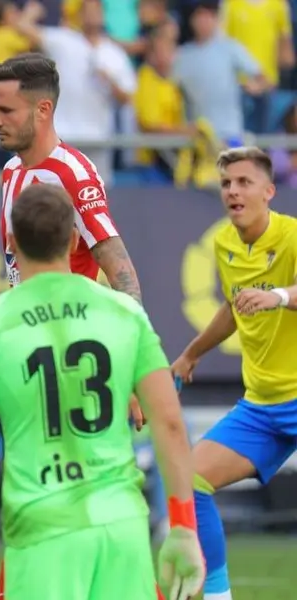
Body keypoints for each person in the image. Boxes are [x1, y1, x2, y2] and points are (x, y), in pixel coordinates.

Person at [0, 184, 204, 600]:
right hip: (121, 526)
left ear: (11, 242)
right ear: (74, 240)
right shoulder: (124, 312)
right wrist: (183, 526)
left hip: (42, 529)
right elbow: (168, 423)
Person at [0, 52, 147, 432]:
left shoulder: (73, 174)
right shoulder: (10, 171)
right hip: (30, 353)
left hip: (75, 358)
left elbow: (121, 272)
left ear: (42, 110)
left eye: (6, 110)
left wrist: (136, 364)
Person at [170, 146, 297, 600]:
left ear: (269, 191)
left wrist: (280, 296)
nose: (233, 191)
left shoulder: (291, 236)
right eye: (226, 183)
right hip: (262, 406)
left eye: (244, 182)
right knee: (188, 479)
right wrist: (191, 354)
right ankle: (220, 597)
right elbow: (232, 306)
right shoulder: (225, 243)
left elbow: (270, 296)